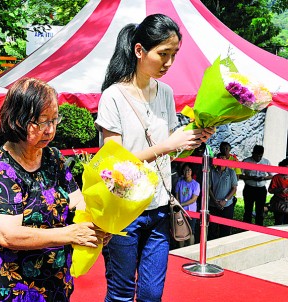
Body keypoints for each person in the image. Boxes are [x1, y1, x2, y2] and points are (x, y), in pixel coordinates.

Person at [95, 14, 214, 301]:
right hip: (124, 212)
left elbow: (169, 153)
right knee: (121, 294)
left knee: (151, 295)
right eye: (163, 54)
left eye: (174, 54)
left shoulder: (167, 93)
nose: (169, 63)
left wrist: (195, 139)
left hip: (159, 208)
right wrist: (166, 145)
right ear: (139, 51)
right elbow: (115, 166)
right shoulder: (113, 97)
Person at [0, 78, 110, 302]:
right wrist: (69, 234)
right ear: (18, 120)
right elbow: (8, 235)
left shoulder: (53, 158)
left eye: (54, 119)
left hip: (51, 282)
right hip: (8, 286)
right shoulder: (1, 171)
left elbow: (77, 202)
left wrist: (98, 225)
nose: (50, 130)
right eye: (42, 122)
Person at [241, 145, 273, 226]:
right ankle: (246, 228)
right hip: (249, 188)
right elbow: (239, 175)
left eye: (260, 156)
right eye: (257, 155)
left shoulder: (266, 162)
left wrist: (264, 178)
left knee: (260, 210)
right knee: (248, 209)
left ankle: (259, 228)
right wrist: (250, 177)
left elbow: (272, 175)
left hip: (261, 189)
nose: (259, 158)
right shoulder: (246, 161)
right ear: (253, 153)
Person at [208, 153, 238, 239]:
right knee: (212, 229)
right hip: (213, 205)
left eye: (223, 159)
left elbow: (234, 188)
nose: (221, 160)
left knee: (225, 229)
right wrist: (215, 201)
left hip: (227, 205)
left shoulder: (231, 172)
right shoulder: (212, 172)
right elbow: (208, 188)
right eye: (220, 158)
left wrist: (225, 200)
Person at [175, 163, 200, 246]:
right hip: (181, 212)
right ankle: (181, 250)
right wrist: (179, 206)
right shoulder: (179, 183)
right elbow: (177, 196)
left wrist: (181, 204)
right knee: (181, 232)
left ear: (192, 171)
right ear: (183, 171)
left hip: (191, 212)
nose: (187, 171)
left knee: (191, 232)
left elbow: (193, 199)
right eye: (185, 170)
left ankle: (190, 250)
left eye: (189, 170)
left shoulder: (196, 184)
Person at [219, 141, 242, 207]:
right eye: (222, 148)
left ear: (230, 149)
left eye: (226, 148)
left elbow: (237, 176)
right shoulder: (217, 159)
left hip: (230, 190)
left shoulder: (234, 160)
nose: (224, 150)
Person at [268, 158, 288, 225]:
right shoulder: (276, 177)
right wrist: (281, 189)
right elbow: (270, 190)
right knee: (278, 222)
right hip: (279, 202)